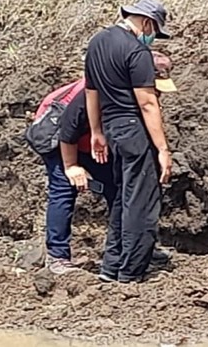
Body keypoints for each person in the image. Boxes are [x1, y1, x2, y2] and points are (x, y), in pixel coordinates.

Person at [34, 51, 176, 276]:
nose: (156, 92)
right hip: (57, 135)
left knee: (119, 189)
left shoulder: (136, 93)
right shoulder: (102, 90)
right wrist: (72, 166)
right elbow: (68, 129)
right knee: (64, 188)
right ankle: (57, 256)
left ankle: (130, 245)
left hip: (94, 141)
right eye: (154, 85)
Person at [83, 0, 174, 283]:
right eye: (153, 31)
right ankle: (131, 272)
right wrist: (162, 149)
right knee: (142, 203)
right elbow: (147, 103)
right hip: (134, 129)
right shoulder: (137, 52)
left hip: (111, 128)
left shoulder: (97, 42)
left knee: (123, 197)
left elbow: (91, 92)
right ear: (147, 22)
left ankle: (110, 267)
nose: (151, 38)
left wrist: (97, 132)